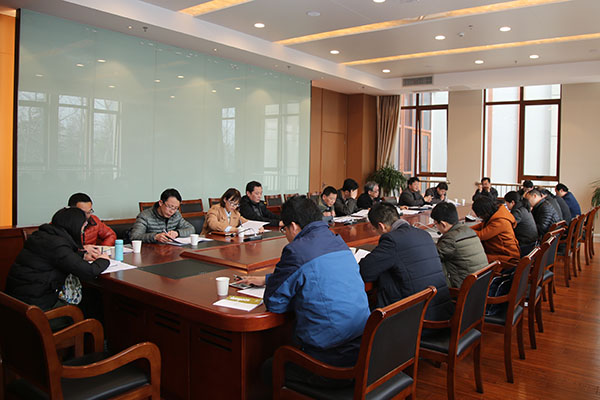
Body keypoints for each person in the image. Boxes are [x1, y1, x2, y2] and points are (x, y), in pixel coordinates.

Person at [238, 196, 370, 385]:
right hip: (362, 350)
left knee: (268, 368)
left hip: (331, 362)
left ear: (293, 226)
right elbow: (318, 274)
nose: (285, 234)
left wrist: (279, 285)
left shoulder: (296, 250)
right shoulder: (338, 242)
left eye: (284, 229)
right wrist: (269, 279)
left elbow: (275, 303)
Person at [6, 207, 110, 328]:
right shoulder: (57, 245)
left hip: (17, 303)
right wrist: (104, 260)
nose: (82, 231)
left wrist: (82, 255)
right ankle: (93, 336)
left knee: (91, 297)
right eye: (83, 227)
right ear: (75, 227)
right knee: (91, 303)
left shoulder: (43, 236)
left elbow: (58, 257)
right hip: (38, 310)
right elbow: (89, 271)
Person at [358, 202, 454, 322]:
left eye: (374, 229)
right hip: (441, 312)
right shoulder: (424, 234)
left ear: (381, 226)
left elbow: (365, 271)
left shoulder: (392, 240)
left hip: (417, 321)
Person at [431, 202, 489, 288]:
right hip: (481, 284)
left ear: (443, 224)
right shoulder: (468, 230)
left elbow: (432, 256)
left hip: (463, 288)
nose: (436, 227)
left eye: (435, 224)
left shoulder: (450, 239)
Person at [130, 188, 195, 243]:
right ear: (161, 203)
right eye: (170, 207)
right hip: (152, 251)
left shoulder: (176, 215)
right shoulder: (145, 216)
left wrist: (177, 233)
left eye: (175, 208)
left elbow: (191, 229)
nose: (172, 211)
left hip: (171, 249)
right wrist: (155, 237)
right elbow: (134, 237)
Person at [471, 196, 520, 266]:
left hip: (508, 256)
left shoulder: (500, 221)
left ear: (483, 212)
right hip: (499, 251)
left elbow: (482, 235)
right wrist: (467, 229)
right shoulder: (496, 214)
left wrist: (466, 231)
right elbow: (481, 225)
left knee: (476, 259)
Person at [504, 191, 539, 257]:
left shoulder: (517, 211)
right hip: (531, 242)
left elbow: (508, 226)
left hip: (525, 245)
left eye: (506, 203)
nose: (506, 206)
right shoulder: (523, 207)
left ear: (512, 202)